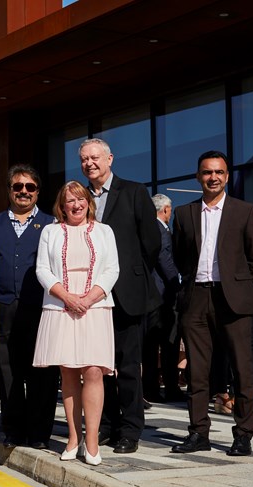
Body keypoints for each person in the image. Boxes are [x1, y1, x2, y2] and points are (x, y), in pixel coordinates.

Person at [171, 150, 253, 456]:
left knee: (242, 368)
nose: (213, 177)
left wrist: (235, 283)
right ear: (199, 176)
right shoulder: (184, 214)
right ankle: (199, 433)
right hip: (196, 297)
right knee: (198, 370)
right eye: (207, 172)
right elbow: (179, 256)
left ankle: (243, 434)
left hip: (232, 298)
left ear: (226, 176)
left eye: (219, 172)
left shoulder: (244, 211)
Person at [79, 138, 161, 454]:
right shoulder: (80, 197)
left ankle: (130, 429)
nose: (90, 163)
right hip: (91, 298)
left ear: (110, 158)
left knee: (128, 366)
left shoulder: (134, 192)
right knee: (98, 367)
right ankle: (108, 426)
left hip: (127, 294)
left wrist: (132, 274)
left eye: (95, 157)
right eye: (85, 159)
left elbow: (151, 242)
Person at [33, 181, 119, 466]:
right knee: (68, 371)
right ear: (62, 205)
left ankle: (92, 441)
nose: (76, 204)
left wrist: (89, 297)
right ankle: (73, 437)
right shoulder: (50, 231)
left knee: (94, 370)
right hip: (61, 306)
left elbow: (112, 269)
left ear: (88, 202)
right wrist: (68, 297)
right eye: (70, 200)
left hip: (96, 306)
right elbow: (42, 270)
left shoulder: (105, 231)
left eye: (80, 199)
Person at [0, 164, 58, 450]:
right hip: (3, 308)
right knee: (8, 371)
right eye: (18, 186)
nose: (23, 192)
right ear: (9, 190)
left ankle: (39, 432)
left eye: (30, 187)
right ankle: (13, 429)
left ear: (37, 192)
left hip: (41, 308)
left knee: (43, 370)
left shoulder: (53, 225)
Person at [142, 194, 183, 403]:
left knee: (150, 346)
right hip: (163, 296)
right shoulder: (161, 230)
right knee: (168, 342)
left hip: (151, 296)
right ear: (165, 210)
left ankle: (150, 388)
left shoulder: (147, 228)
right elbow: (164, 259)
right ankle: (169, 387)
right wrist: (177, 285)